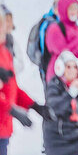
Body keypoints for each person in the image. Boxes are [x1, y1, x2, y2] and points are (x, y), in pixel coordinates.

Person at [1, 13, 55, 154]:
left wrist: (35, 106)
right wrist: (11, 109)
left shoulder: (5, 52)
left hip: (3, 127)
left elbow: (13, 89)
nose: (5, 29)